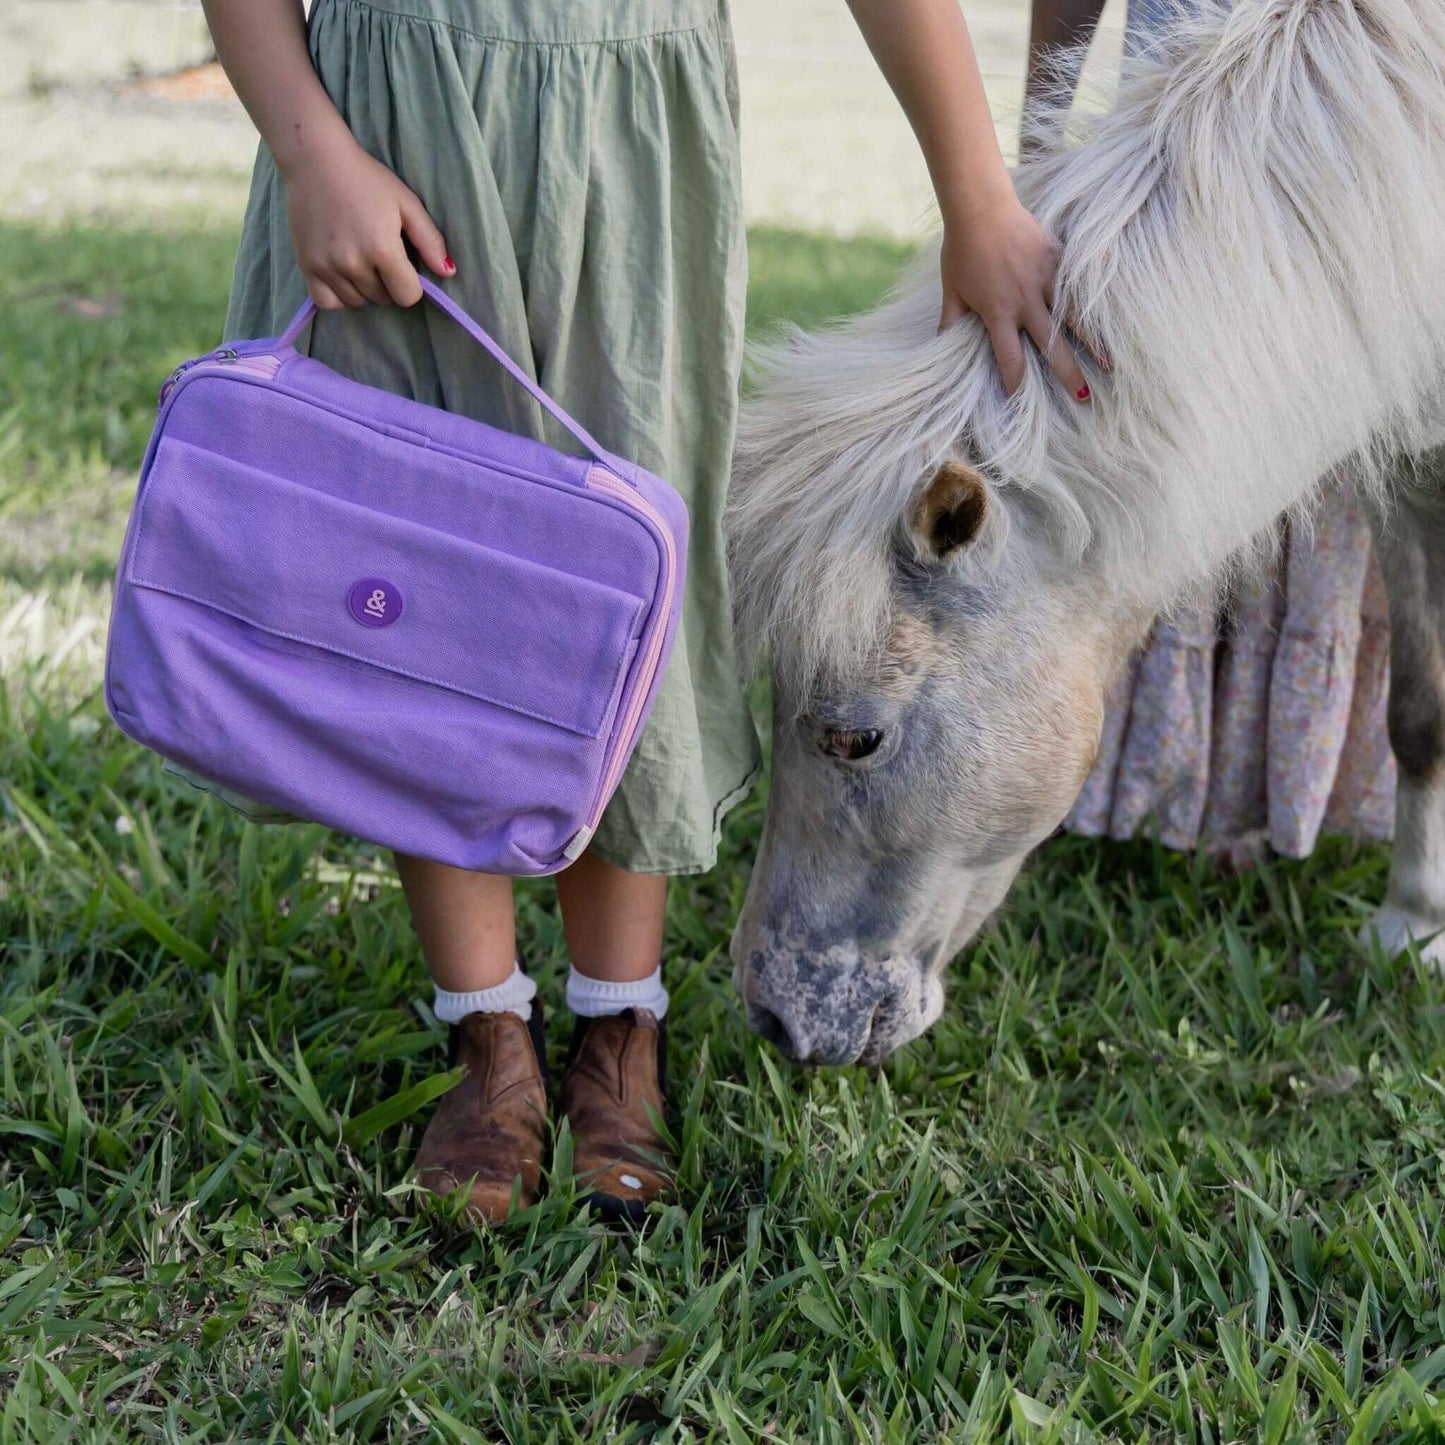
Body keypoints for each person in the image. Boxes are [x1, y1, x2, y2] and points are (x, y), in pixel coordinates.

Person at [198, 0, 1090, 1225]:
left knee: (623, 571)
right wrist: (311, 153)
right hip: (387, 112)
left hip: (634, 126)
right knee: (425, 583)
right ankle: (487, 1035)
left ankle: (621, 1031)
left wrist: (975, 195)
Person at [1025, 0, 1396, 863]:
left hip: (1340, 133)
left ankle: (1287, 792)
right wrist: (1039, 151)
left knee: (1327, 481)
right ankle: (1148, 785)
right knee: (1164, 446)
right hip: (1178, 139)